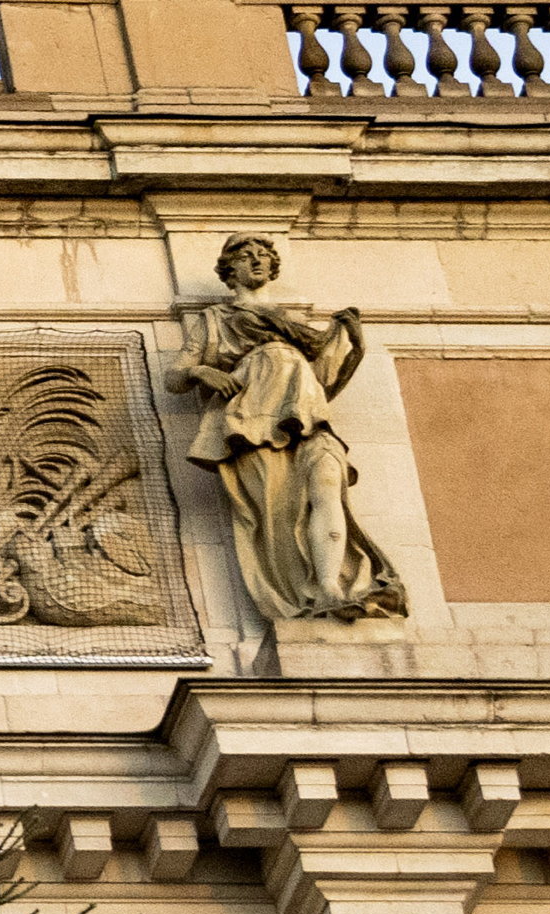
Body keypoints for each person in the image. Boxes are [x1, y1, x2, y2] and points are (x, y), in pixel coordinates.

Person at [170, 234, 405, 628]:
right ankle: (309, 589)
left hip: (308, 413)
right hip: (253, 418)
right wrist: (201, 371)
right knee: (279, 509)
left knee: (328, 484)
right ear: (230, 270)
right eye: (247, 256)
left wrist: (352, 345)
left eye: (264, 256)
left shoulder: (295, 328)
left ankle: (332, 584)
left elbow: (324, 379)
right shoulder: (215, 319)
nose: (257, 261)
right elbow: (174, 377)